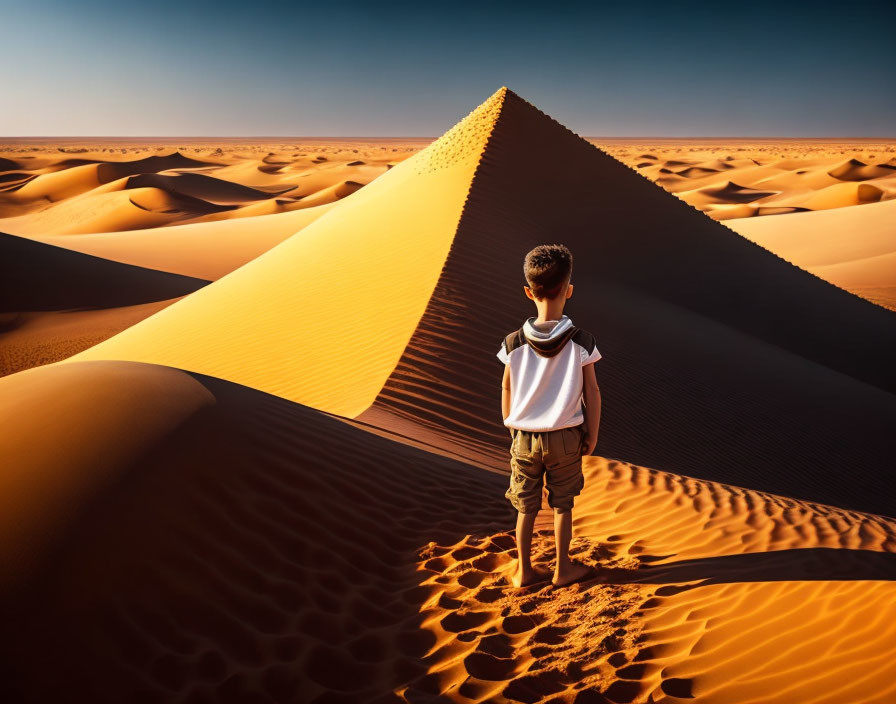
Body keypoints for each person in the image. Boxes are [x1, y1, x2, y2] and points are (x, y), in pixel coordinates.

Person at [496, 243, 602, 588]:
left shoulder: (513, 343)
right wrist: (593, 434)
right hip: (567, 436)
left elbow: (506, 388)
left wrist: (510, 424)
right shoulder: (582, 342)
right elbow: (593, 392)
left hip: (524, 437)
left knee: (525, 507)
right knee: (562, 505)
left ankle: (524, 570)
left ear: (529, 292)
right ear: (568, 291)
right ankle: (563, 569)